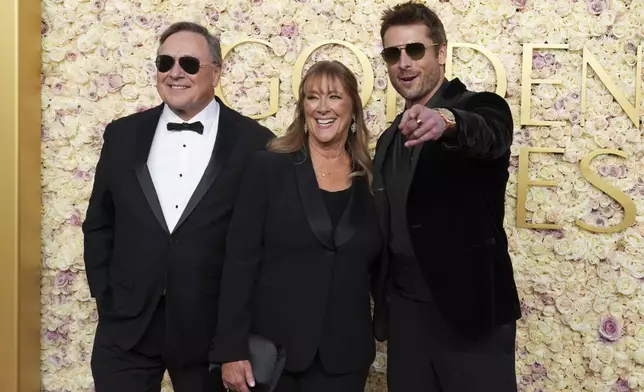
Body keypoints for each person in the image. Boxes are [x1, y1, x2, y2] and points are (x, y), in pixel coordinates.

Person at [82, 21, 273, 392]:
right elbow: (99, 224)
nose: (175, 73)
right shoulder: (122, 134)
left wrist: (235, 336)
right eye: (165, 62)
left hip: (212, 335)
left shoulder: (256, 144)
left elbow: (260, 246)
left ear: (216, 72)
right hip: (127, 329)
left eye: (188, 63)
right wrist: (108, 299)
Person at [371, 2, 522, 392]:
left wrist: (448, 121)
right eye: (393, 53)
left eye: (415, 50)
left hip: (470, 318)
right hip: (405, 319)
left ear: (440, 53)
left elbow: (491, 136)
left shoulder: (481, 107)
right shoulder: (388, 139)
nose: (403, 63)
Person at [210, 60, 383, 392]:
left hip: (345, 360)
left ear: (353, 108)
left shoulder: (373, 178)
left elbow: (382, 265)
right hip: (274, 358)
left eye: (334, 96)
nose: (322, 108)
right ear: (302, 108)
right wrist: (230, 349)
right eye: (312, 97)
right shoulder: (268, 168)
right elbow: (239, 262)